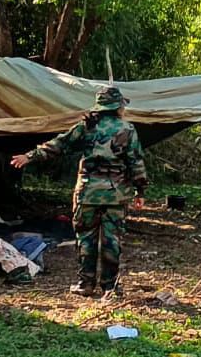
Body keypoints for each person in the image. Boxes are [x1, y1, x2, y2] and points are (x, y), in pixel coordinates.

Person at [10, 85, 147, 297]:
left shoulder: (86, 126)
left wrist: (30, 156)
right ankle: (110, 287)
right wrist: (140, 190)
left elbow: (59, 144)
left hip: (87, 192)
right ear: (118, 106)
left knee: (86, 239)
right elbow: (135, 161)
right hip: (116, 195)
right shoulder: (127, 129)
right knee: (111, 241)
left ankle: (86, 284)